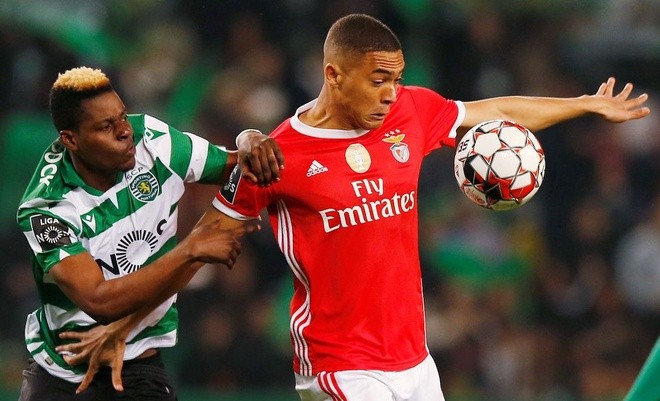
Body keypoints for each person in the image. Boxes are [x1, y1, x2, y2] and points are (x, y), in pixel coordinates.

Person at [75, 14, 651, 401]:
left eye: (397, 81)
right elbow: (201, 243)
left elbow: (493, 109)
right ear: (333, 74)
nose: (390, 95)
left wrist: (581, 105)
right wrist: (128, 323)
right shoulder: (280, 156)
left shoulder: (411, 113)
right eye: (378, 81)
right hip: (338, 364)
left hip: (416, 360)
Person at [15, 66, 284, 401]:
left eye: (122, 116)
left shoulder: (152, 140)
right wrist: (189, 250)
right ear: (71, 139)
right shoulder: (47, 207)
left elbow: (238, 165)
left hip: (140, 365)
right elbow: (100, 300)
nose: (125, 131)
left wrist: (249, 139)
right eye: (106, 126)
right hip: (63, 373)